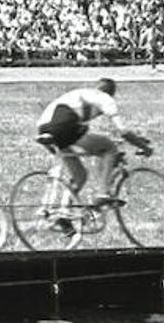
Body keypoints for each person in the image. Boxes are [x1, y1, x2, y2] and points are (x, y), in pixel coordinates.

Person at [36, 77, 151, 220]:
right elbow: (124, 131)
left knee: (79, 176)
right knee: (108, 148)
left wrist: (136, 140)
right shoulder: (105, 99)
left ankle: (63, 213)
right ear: (111, 93)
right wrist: (143, 147)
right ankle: (103, 193)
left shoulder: (82, 94)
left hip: (44, 129)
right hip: (64, 128)